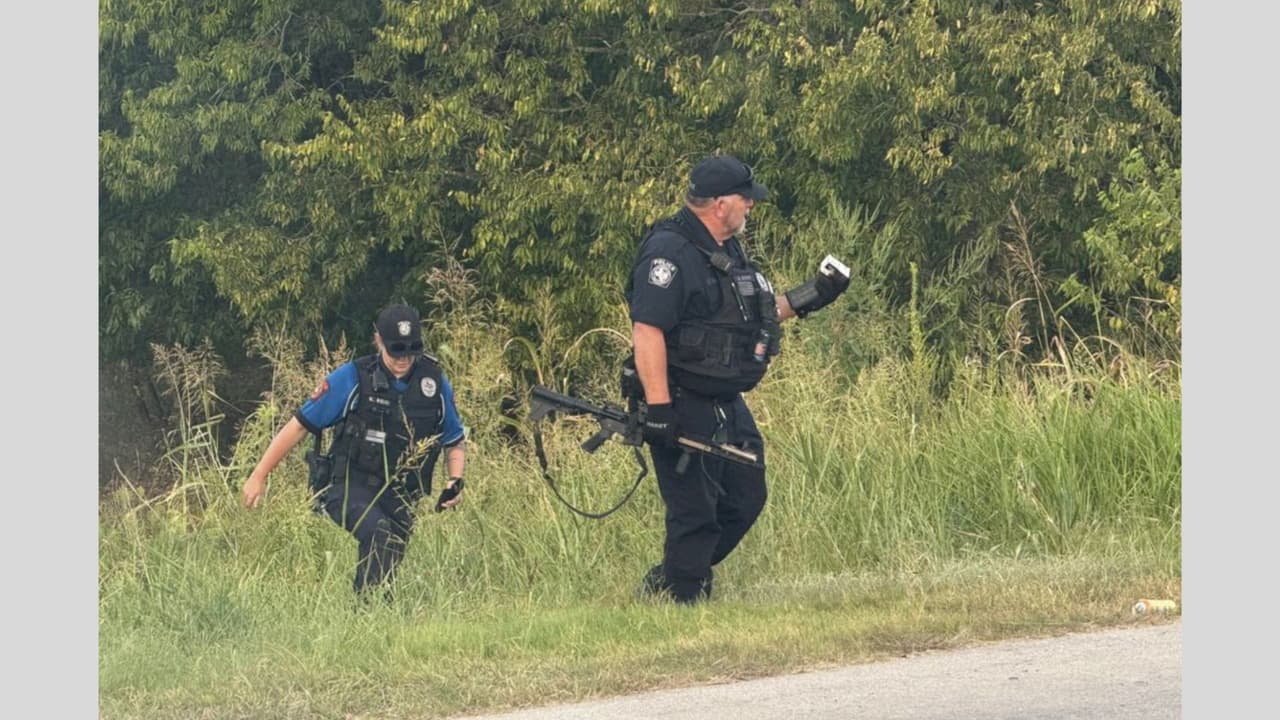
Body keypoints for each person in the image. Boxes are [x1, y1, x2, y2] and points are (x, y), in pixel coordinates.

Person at [625, 154, 849, 603]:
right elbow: (646, 331)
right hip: (679, 395)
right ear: (719, 203)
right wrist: (660, 408)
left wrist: (815, 294)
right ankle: (682, 600)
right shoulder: (668, 253)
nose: (751, 206)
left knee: (746, 496)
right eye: (746, 200)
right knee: (694, 511)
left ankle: (670, 579)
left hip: (724, 397)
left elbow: (750, 316)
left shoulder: (726, 249)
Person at [242, 303, 467, 599]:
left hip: (401, 493)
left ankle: (371, 619)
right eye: (395, 350)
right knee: (379, 533)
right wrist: (259, 474)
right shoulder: (352, 378)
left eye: (410, 351)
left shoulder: (434, 383)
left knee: (388, 560)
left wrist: (455, 480)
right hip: (348, 485)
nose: (403, 359)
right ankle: (370, 614)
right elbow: (299, 425)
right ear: (379, 341)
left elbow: (454, 440)